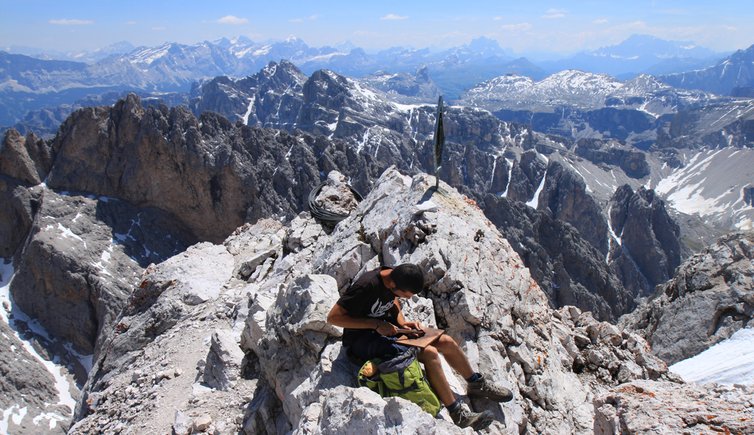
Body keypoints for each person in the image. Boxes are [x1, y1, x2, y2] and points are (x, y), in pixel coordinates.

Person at [327, 263, 513, 430]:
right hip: (363, 340)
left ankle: (475, 383)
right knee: (430, 353)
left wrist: (402, 323)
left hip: (389, 330)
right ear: (393, 285)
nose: (405, 298)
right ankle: (458, 414)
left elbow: (394, 301)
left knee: (445, 342)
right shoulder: (366, 286)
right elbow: (333, 318)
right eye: (405, 294)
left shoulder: (393, 275)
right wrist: (375, 325)